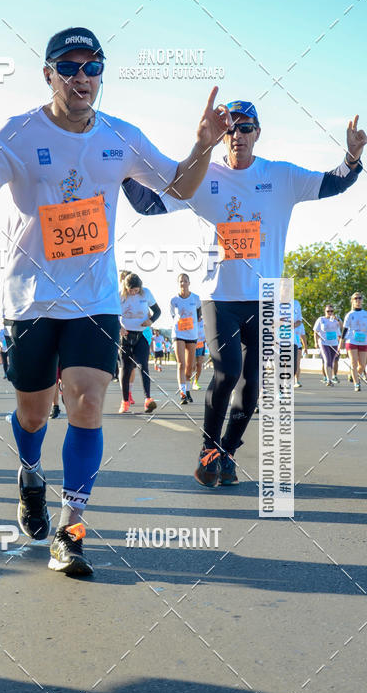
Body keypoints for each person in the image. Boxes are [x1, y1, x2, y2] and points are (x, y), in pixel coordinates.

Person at [0, 25, 230, 575]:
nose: (83, 78)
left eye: (93, 67)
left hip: (94, 300)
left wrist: (202, 146)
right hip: (30, 301)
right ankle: (30, 475)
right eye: (71, 66)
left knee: (85, 400)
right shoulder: (17, 133)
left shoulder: (120, 135)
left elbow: (178, 187)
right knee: (32, 416)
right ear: (49, 74)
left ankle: (71, 529)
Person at [123, 103, 365, 486]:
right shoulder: (202, 175)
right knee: (228, 369)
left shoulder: (280, 176)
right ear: (222, 135)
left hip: (265, 297)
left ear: (257, 133)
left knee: (253, 381)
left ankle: (227, 452)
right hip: (219, 295)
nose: (238, 135)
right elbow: (147, 203)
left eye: (245, 128)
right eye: (230, 129)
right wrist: (121, 170)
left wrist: (351, 157)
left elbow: (333, 181)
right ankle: (208, 447)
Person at [118, 272, 160, 413]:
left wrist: (151, 321)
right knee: (126, 369)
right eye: (131, 290)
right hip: (126, 337)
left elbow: (157, 311)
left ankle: (148, 399)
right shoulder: (120, 295)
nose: (134, 293)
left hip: (141, 335)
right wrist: (120, 327)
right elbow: (111, 314)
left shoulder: (146, 293)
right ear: (126, 287)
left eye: (136, 290)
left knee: (144, 366)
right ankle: (125, 402)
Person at [169, 273, 201, 404]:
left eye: (185, 281)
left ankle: (187, 390)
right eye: (181, 281)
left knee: (190, 367)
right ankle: (182, 394)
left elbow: (199, 312)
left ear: (189, 282)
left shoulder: (196, 298)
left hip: (192, 334)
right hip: (178, 333)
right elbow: (173, 316)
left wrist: (193, 321)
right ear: (178, 283)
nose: (183, 283)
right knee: (181, 364)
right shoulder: (174, 300)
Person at [341, 292, 367, 391]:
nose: (358, 300)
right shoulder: (349, 314)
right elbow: (345, 329)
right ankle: (356, 384)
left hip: (363, 341)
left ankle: (354, 375)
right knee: (354, 362)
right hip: (351, 340)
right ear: (352, 300)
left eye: (360, 298)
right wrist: (341, 342)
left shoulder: (365, 314)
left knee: (362, 365)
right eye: (356, 298)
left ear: (362, 300)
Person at [313, 303, 341, 386]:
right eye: (328, 311)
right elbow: (315, 331)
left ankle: (330, 377)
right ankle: (329, 380)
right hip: (323, 343)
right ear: (325, 311)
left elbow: (342, 329)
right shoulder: (321, 319)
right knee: (327, 360)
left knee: (332, 361)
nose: (330, 313)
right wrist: (315, 342)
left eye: (331, 311)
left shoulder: (336, 320)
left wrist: (337, 320)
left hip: (334, 343)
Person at [193, 316, 206, 390]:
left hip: (201, 344)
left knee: (199, 364)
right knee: (192, 365)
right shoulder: (192, 319)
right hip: (192, 343)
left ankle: (195, 382)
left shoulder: (205, 320)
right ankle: (190, 376)